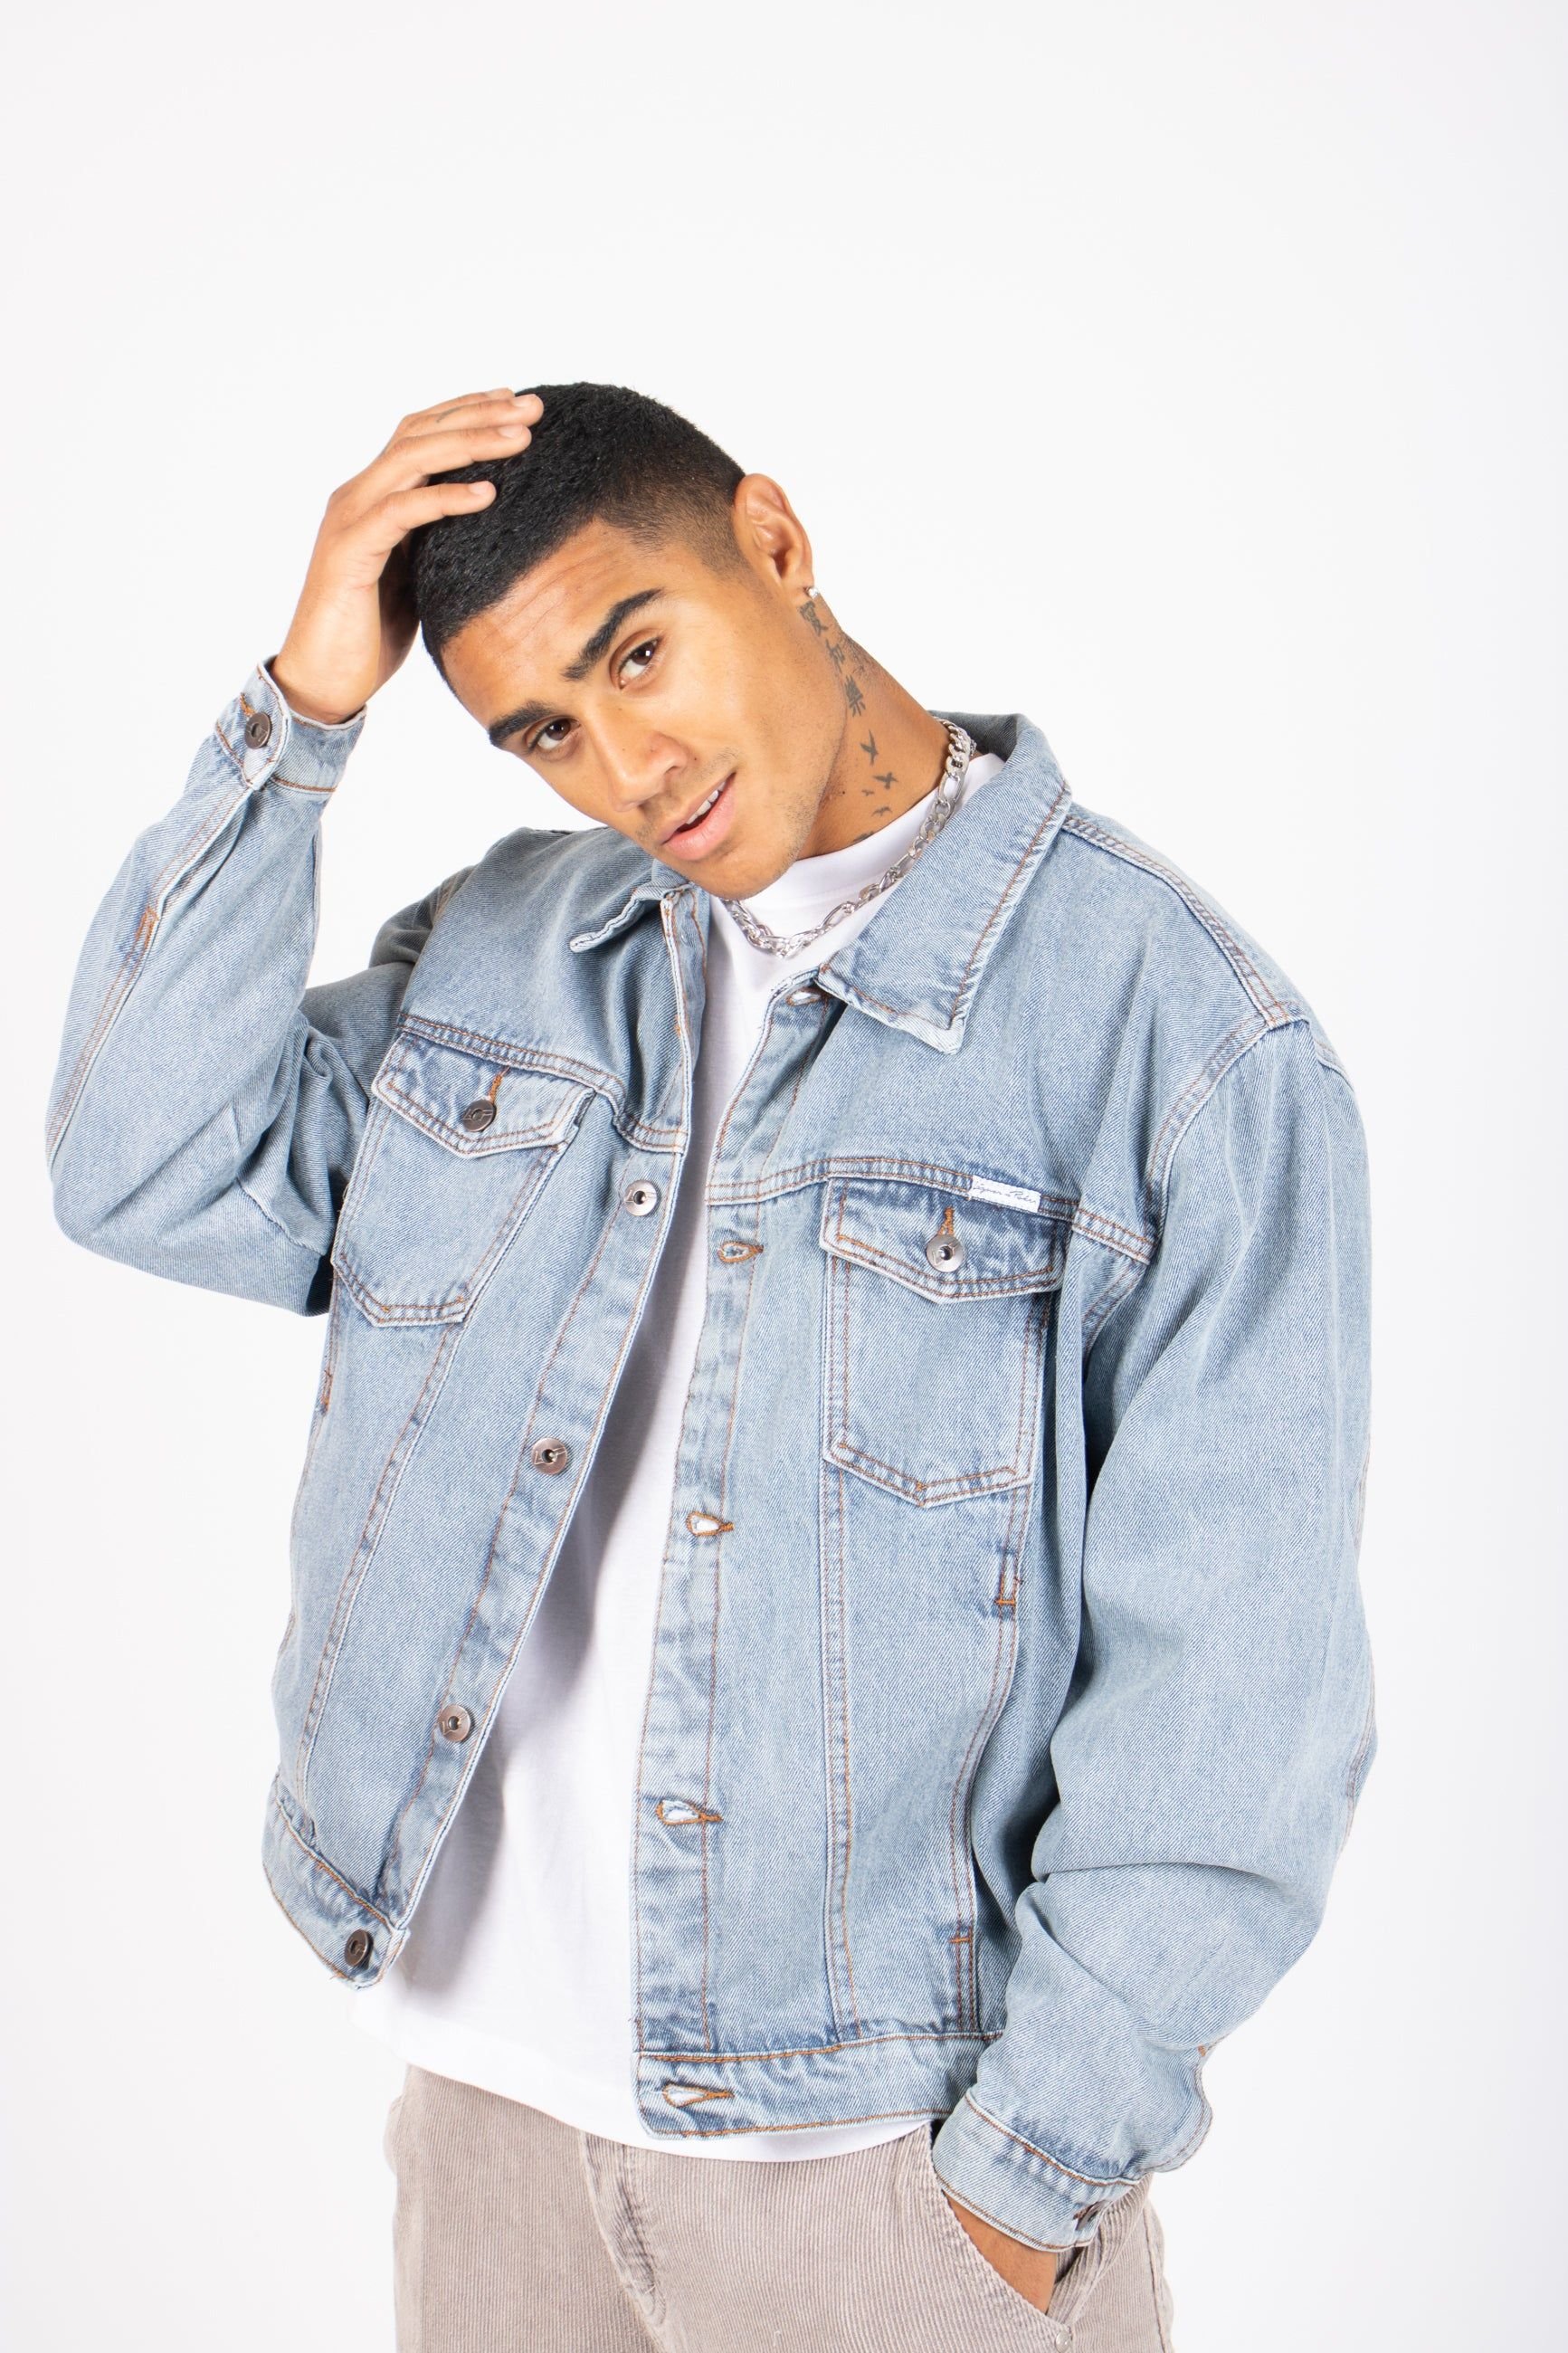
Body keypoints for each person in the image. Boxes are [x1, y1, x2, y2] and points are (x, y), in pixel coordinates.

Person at [43, 380, 1375, 2350]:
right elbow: (148, 1162)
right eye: (545, 732)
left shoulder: (1179, 1039)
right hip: (492, 2132)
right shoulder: (512, 949)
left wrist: (1017, 2192)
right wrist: (303, 711)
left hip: (888, 2174)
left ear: (773, 541)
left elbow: (1237, 1689)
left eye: (637, 654)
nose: (629, 767)